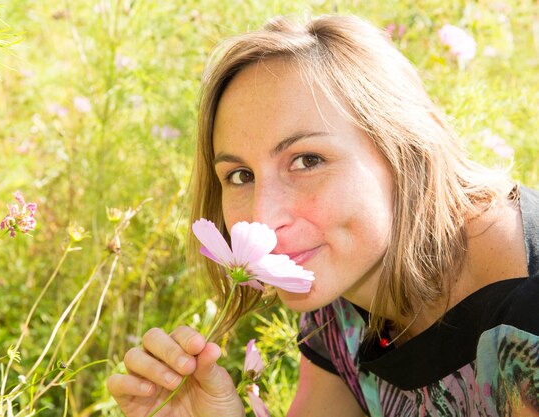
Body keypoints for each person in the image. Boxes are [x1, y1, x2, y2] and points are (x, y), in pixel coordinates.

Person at [106, 13, 539, 416]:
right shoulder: (339, 293)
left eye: (307, 160)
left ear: (410, 149)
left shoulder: (526, 318)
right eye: (240, 175)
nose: (263, 220)